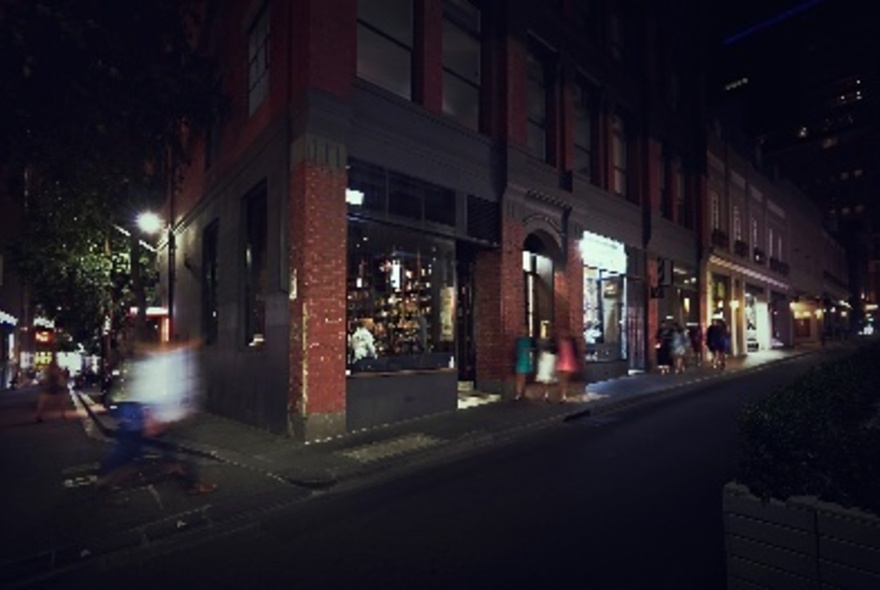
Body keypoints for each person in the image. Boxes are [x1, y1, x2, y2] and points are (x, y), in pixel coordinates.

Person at [96, 339, 217, 496]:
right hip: (137, 411)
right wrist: (151, 417)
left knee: (167, 445)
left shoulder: (162, 358)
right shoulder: (155, 360)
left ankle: (184, 476)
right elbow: (149, 391)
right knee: (129, 449)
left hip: (150, 412)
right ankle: (104, 482)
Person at [35, 354, 69, 422]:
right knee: (62, 401)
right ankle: (63, 415)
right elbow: (60, 379)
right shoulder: (56, 370)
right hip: (54, 388)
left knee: (43, 403)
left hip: (49, 388)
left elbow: (43, 379)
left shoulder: (48, 369)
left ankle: (39, 416)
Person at [554, 330, 578, 403]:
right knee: (562, 380)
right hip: (562, 362)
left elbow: (575, 353)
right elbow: (556, 352)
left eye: (564, 332)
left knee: (564, 380)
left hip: (567, 363)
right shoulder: (560, 342)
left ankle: (563, 395)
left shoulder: (570, 342)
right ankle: (563, 395)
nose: (563, 333)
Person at [535, 334, 558, 402]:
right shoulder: (543, 344)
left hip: (550, 359)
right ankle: (546, 394)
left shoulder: (554, 342)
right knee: (546, 378)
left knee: (548, 378)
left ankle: (546, 394)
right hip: (546, 359)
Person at [513, 327, 534, 401]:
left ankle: (522, 393)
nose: (523, 332)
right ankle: (518, 394)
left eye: (525, 331)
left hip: (525, 360)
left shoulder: (528, 340)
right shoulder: (519, 341)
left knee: (523, 378)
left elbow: (531, 350)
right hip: (520, 360)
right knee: (519, 377)